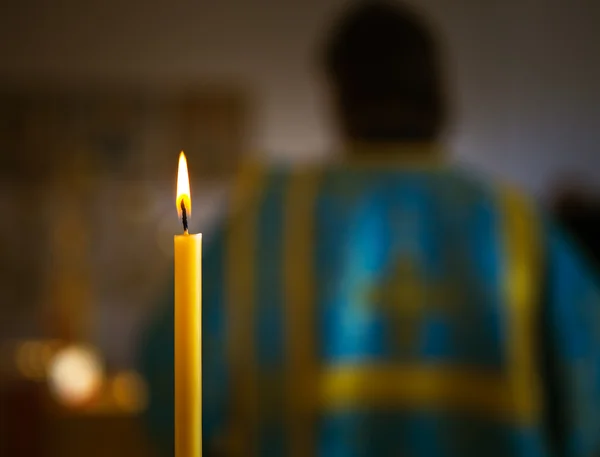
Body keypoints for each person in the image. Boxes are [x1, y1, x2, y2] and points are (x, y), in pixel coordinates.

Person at [140, 2, 600, 456]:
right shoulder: (517, 225)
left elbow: (172, 381)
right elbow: (587, 392)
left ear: (339, 95)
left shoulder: (265, 221)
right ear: (439, 92)